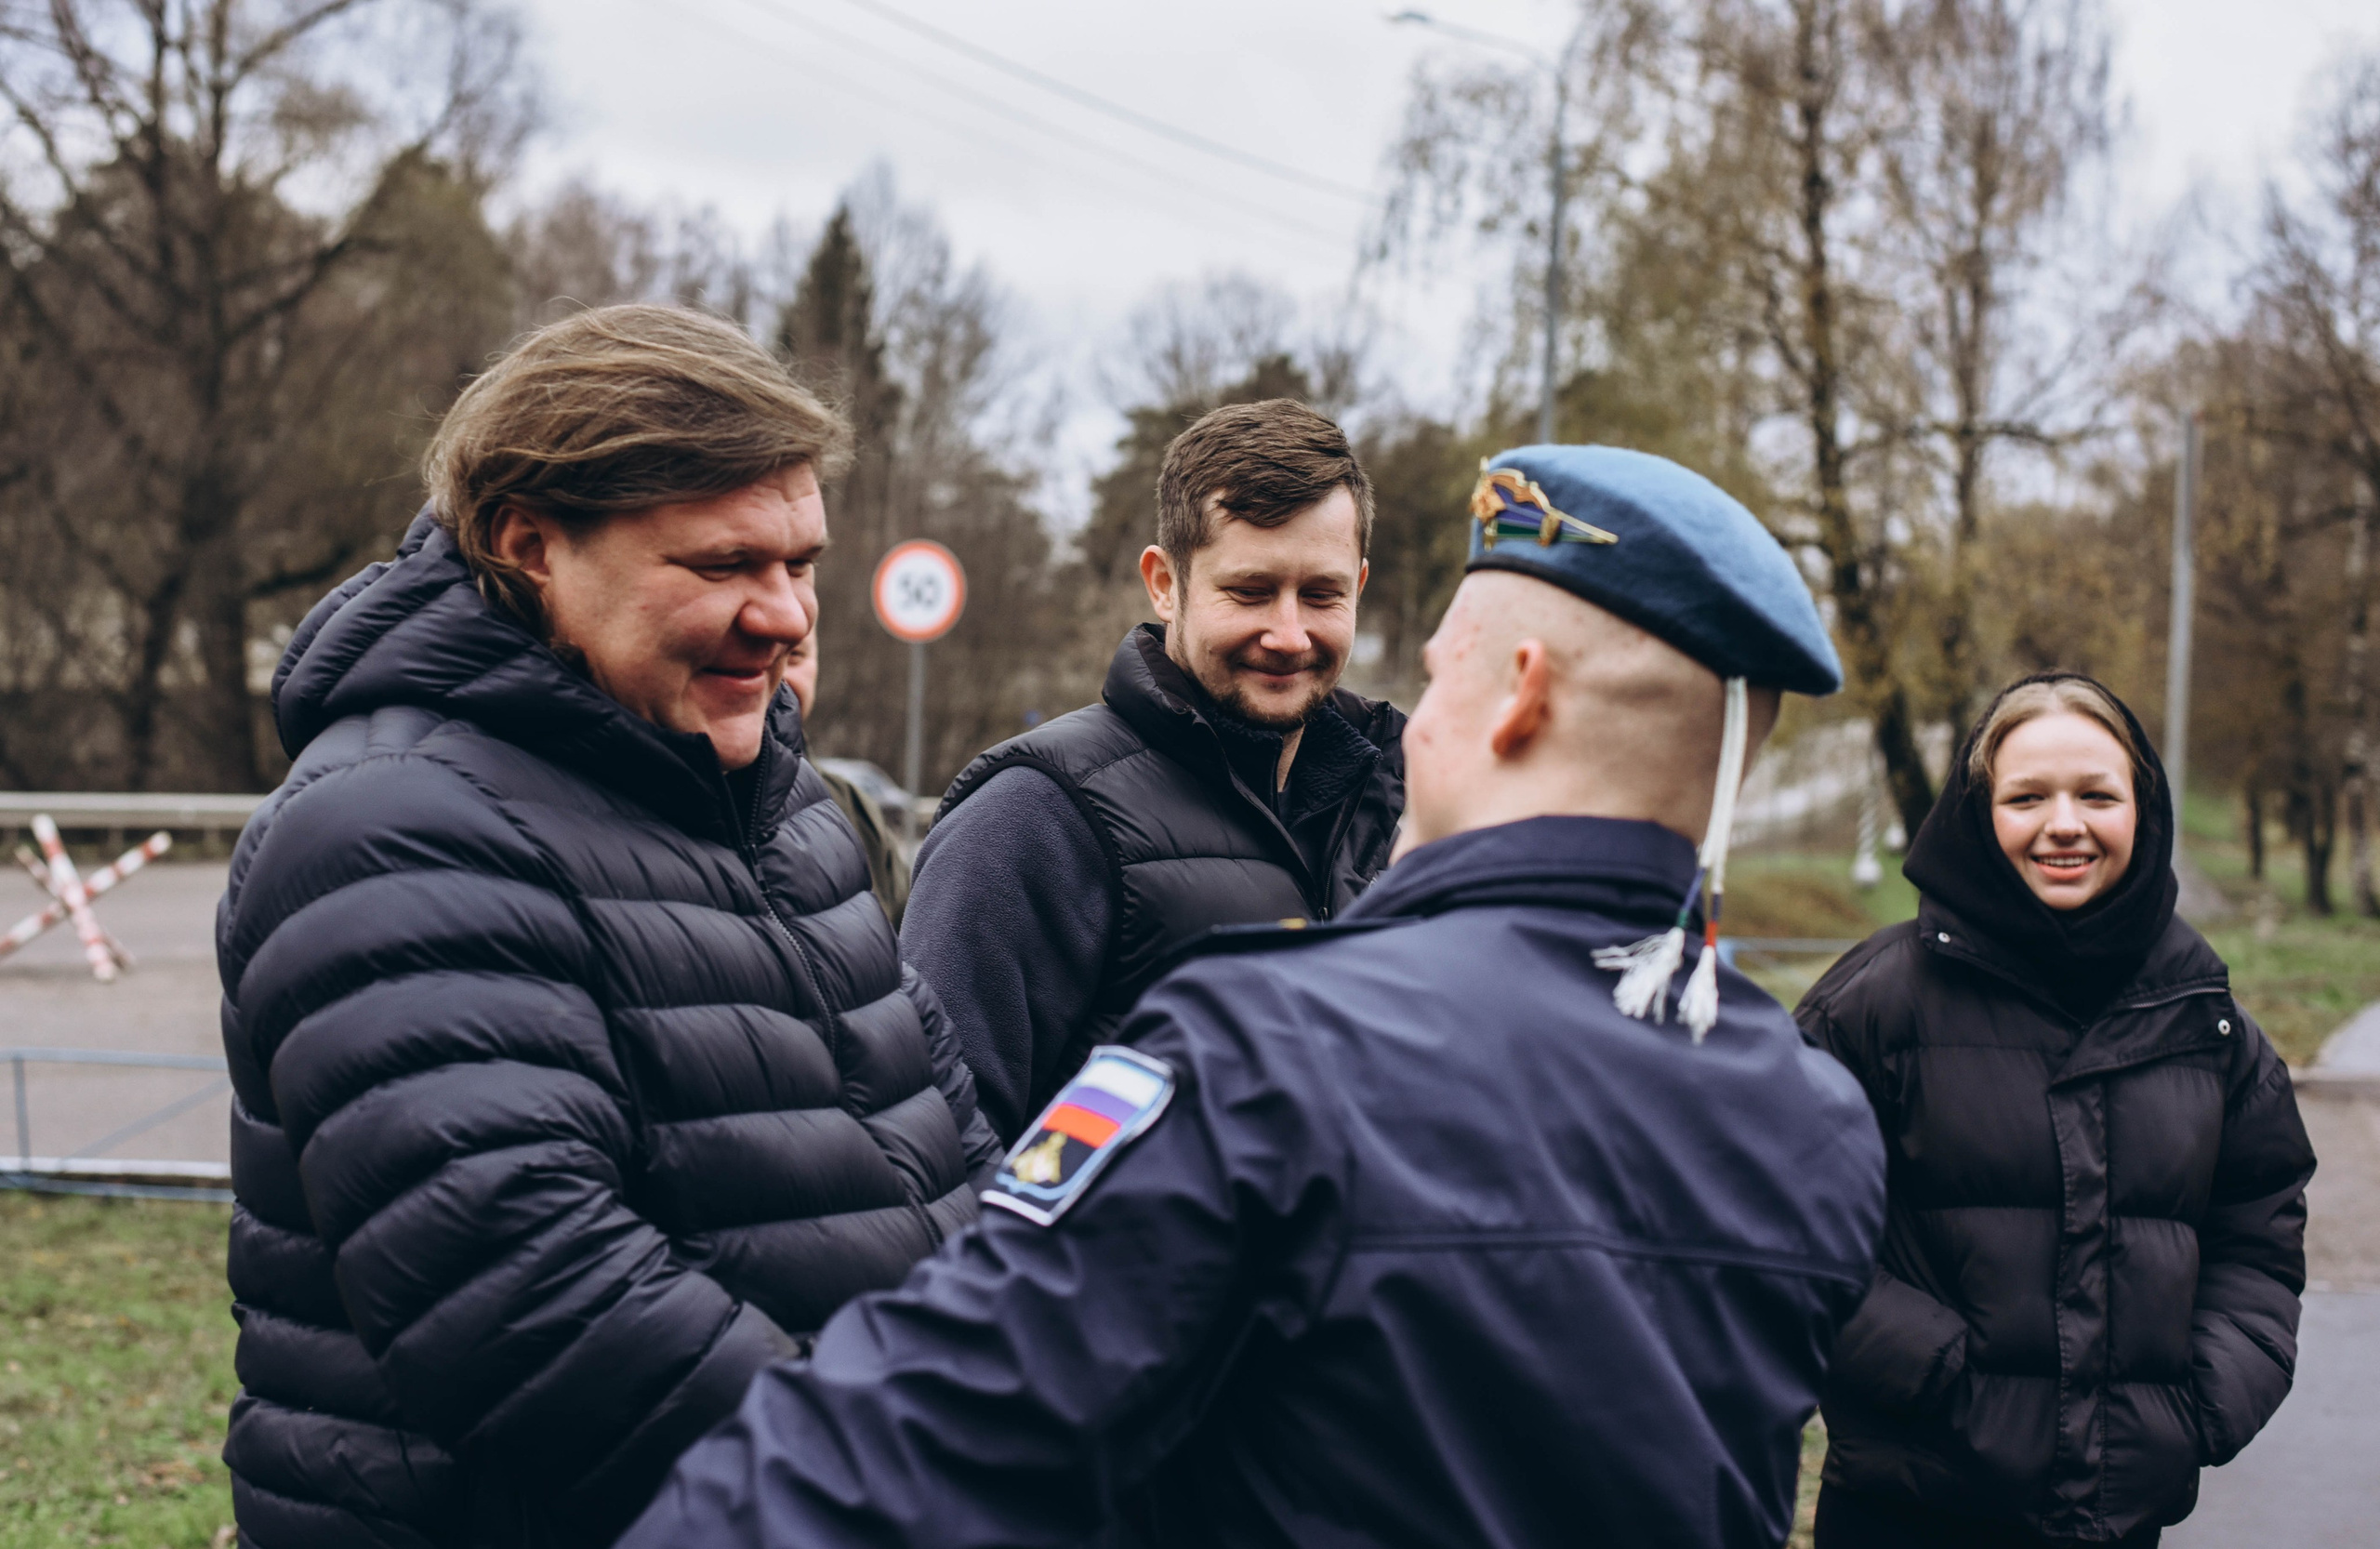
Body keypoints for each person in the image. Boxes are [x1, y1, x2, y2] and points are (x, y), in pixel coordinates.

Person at [617, 444, 1888, 1549]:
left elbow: (917, 1431)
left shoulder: (1274, 1044)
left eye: (1442, 677)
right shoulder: (1814, 1116)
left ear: (1521, 697)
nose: (1410, 722)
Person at [214, 304, 1003, 1549]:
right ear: (530, 543)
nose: (787, 614)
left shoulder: (784, 805)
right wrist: (904, 1482)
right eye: (724, 564)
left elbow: (948, 1138)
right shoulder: (389, 826)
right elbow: (533, 1304)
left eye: (800, 563)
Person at [1796, 673, 2316, 1548]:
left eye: (2097, 796)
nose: (2064, 824)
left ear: (2143, 811)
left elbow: (2260, 1233)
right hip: (1908, 1504)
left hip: (2121, 1521)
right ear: (1977, 813)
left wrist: (2198, 1401)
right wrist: (1934, 1374)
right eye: (2027, 797)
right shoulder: (1874, 1005)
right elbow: (1785, 1222)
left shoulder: (2207, 1021)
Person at [901, 398, 1406, 1142]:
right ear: (1165, 584)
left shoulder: (1402, 806)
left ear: (1358, 587)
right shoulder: (1032, 819)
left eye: (1321, 595)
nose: (1289, 634)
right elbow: (933, 1151)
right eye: (1250, 591)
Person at [784, 629, 911, 927]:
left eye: (794, 655)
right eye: (754, 647)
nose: (775, 672)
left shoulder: (853, 809)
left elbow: (909, 941)